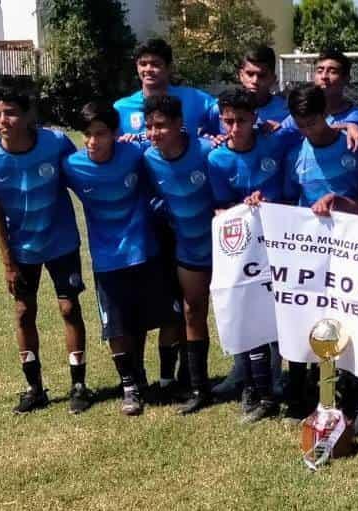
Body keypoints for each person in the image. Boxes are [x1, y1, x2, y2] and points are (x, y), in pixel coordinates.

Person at [61, 102, 182, 415]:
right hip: (107, 260)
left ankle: (167, 382)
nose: (92, 141)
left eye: (100, 134)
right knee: (116, 327)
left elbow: (162, 146)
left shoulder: (133, 154)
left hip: (146, 250)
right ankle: (130, 387)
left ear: (115, 133)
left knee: (169, 317)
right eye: (87, 134)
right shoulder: (71, 166)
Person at [0, 87, 90, 414]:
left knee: (69, 309)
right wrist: (7, 262)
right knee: (24, 313)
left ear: (28, 115)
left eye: (10, 112)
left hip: (62, 242)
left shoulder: (55, 143)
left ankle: (79, 384)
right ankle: (34, 387)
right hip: (22, 249)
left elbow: (82, 179)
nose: (2, 120)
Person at [114, 38, 215, 397]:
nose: (148, 69)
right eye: (143, 63)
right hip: (147, 223)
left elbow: (236, 122)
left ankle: (179, 377)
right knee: (146, 300)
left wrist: (219, 137)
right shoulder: (121, 107)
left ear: (169, 68)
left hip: (192, 224)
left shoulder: (198, 100)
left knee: (183, 303)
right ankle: (138, 377)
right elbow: (109, 152)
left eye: (156, 63)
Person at [279, 83, 358, 421]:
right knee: (310, 322)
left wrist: (346, 205)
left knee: (355, 325)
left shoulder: (357, 144)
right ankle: (310, 397)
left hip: (356, 251)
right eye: (301, 124)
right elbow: (291, 207)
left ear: (326, 115)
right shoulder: (295, 154)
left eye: (315, 122)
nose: (309, 130)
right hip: (313, 256)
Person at [207, 89, 294, 422]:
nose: (234, 127)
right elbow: (219, 207)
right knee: (243, 309)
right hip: (240, 250)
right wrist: (242, 208)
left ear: (255, 118)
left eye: (241, 120)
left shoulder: (274, 142)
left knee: (275, 314)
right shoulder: (217, 159)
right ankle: (250, 385)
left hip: (277, 243)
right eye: (228, 120)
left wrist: (267, 203)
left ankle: (274, 381)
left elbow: (313, 124)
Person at [141, 95, 216, 415]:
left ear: (178, 124)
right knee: (192, 310)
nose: (154, 133)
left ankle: (258, 382)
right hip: (189, 247)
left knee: (239, 310)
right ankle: (198, 385)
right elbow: (150, 197)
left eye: (161, 126)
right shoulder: (147, 159)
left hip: (227, 246)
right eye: (149, 126)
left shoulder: (208, 151)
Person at [280, 49, 358, 144]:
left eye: (332, 72)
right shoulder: (300, 115)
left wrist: (349, 126)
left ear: (346, 78)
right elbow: (280, 132)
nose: (324, 76)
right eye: (319, 71)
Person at [206, 46, 290, 137]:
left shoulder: (286, 111)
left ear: (273, 79)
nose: (255, 81)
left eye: (262, 75)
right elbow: (203, 139)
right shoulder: (219, 109)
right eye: (250, 74)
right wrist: (212, 140)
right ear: (241, 75)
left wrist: (282, 134)